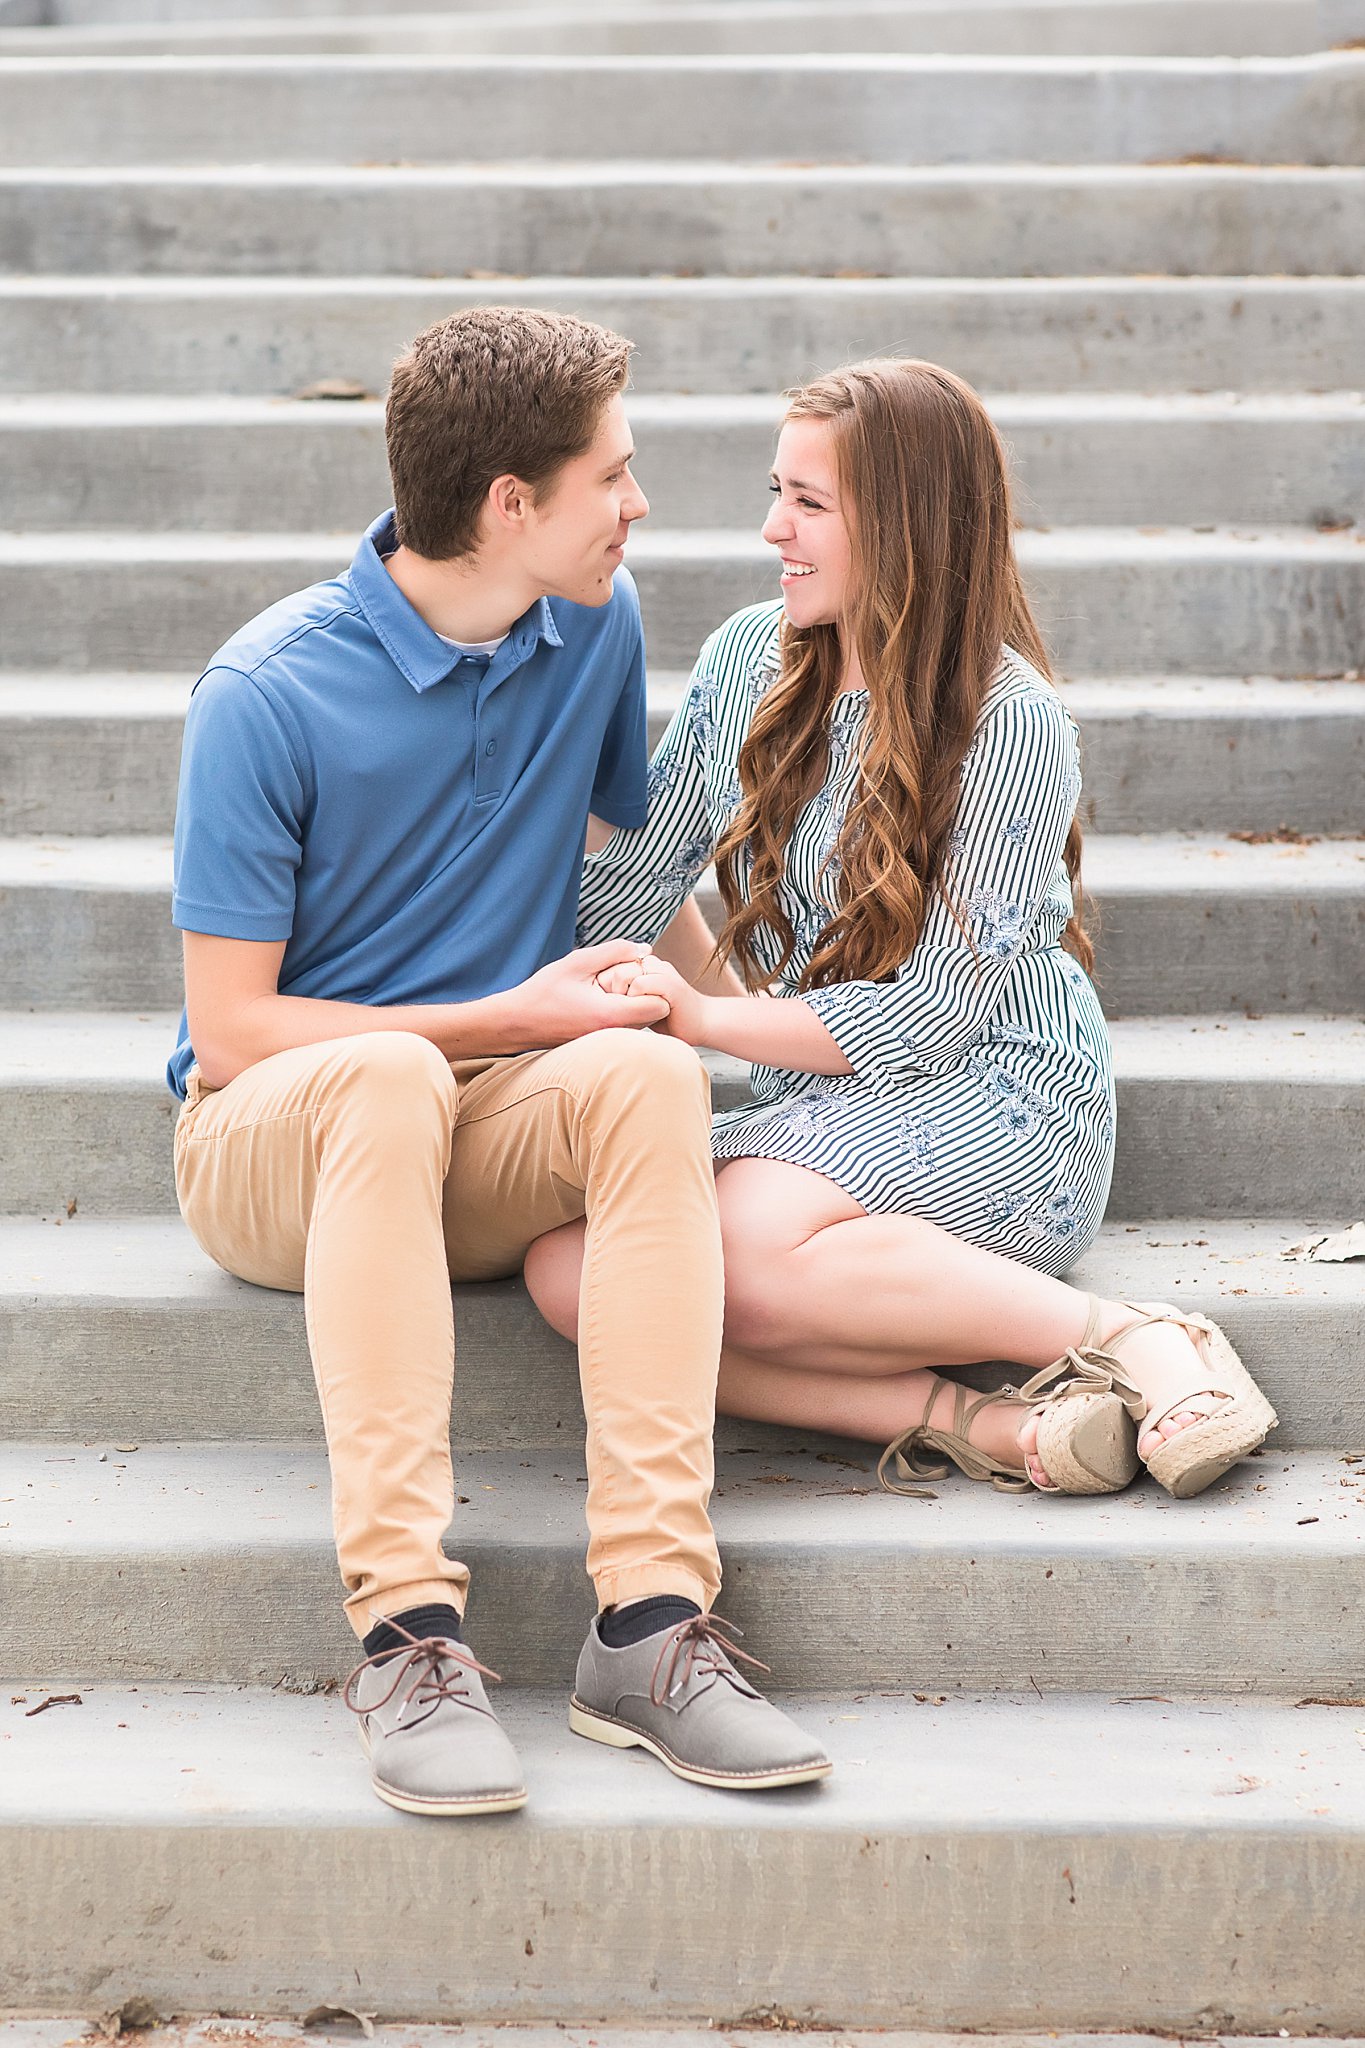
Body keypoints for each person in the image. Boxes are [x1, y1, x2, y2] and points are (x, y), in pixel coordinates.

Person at [167, 306, 831, 1818]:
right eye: (614, 475)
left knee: (649, 1075)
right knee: (393, 1079)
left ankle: (652, 1628)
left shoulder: (592, 622)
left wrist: (745, 1036)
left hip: (477, 1124)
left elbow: (636, 870)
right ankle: (406, 1635)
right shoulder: (265, 695)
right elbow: (232, 1035)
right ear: (508, 506)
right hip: (276, 1138)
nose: (642, 504)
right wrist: (507, 1018)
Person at [527, 357, 1278, 1503]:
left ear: (910, 524)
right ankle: (986, 1425)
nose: (773, 527)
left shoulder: (1009, 720)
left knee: (736, 1254)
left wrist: (705, 1017)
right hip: (821, 1106)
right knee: (574, 1272)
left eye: (810, 503)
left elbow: (933, 1014)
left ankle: (1133, 1336)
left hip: (1001, 1093)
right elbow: (635, 881)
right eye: (777, 491)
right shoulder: (749, 657)